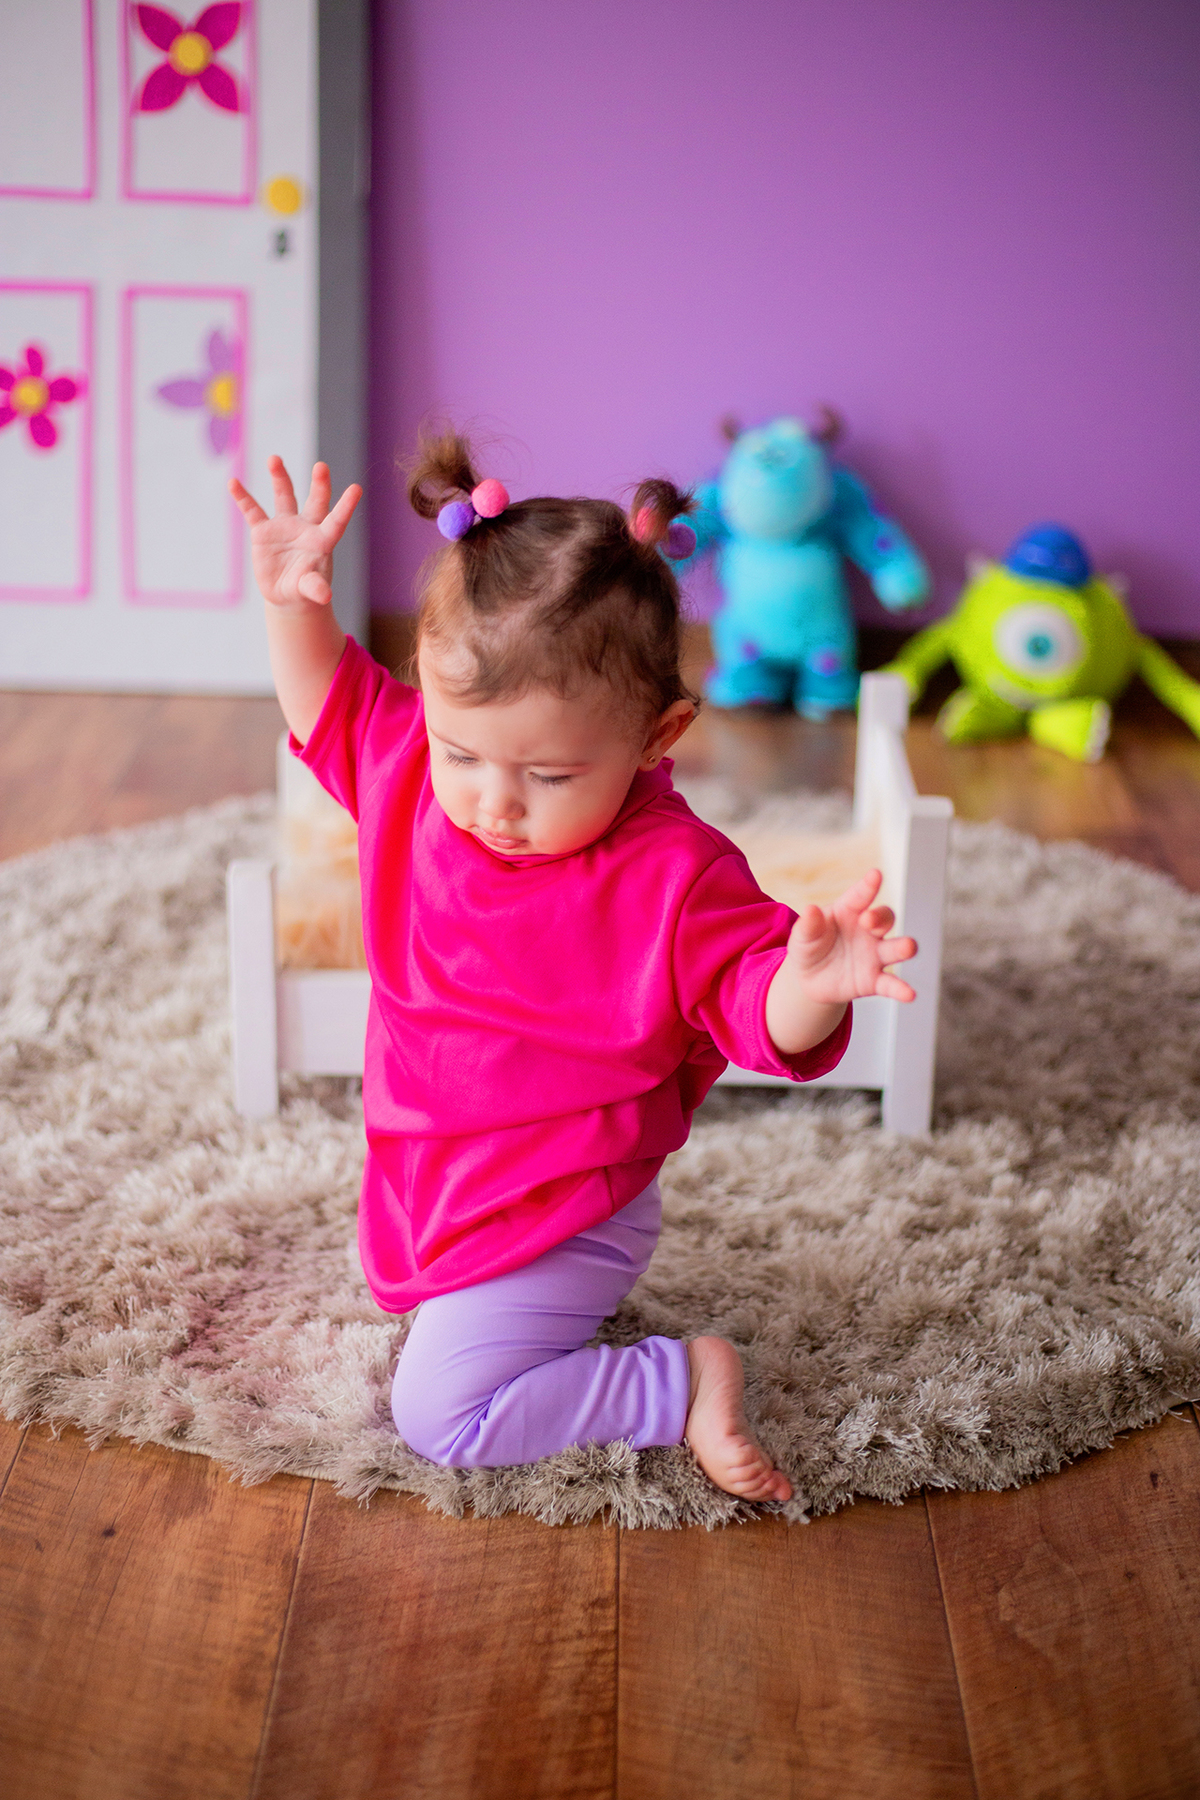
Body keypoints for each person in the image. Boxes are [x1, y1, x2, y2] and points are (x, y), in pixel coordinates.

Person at [229, 434, 917, 1504]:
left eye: (548, 773)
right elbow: (327, 698)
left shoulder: (675, 875)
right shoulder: (416, 768)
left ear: (658, 736)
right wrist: (290, 602)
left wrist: (807, 985)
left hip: (568, 1202)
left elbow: (751, 1003)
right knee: (415, 1298)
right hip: (436, 1175)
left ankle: (674, 1383)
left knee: (441, 1415)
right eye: (464, 752)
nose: (492, 802)